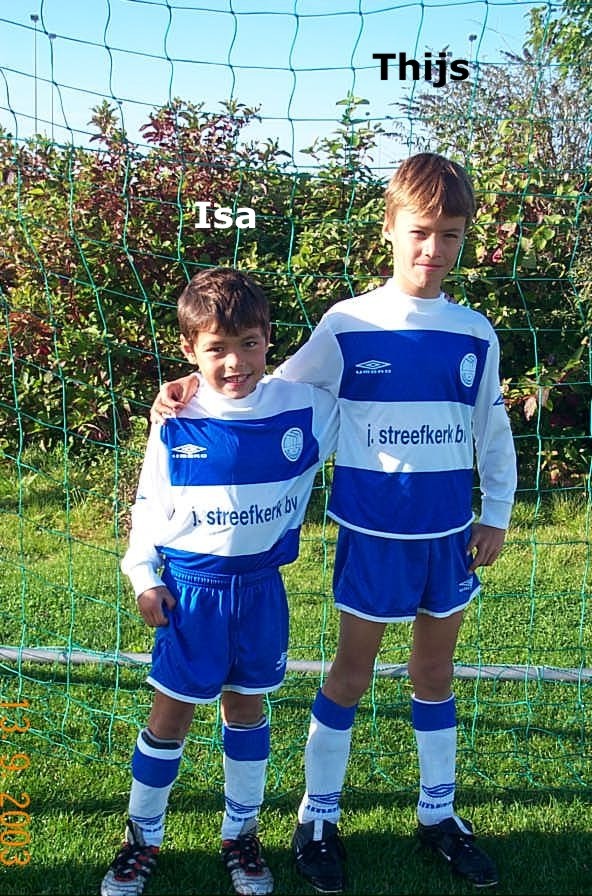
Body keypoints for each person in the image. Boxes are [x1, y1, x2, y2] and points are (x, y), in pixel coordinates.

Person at [150, 153, 517, 893]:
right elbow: (271, 384)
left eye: (450, 234)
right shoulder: (348, 323)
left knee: (435, 673)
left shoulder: (475, 331)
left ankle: (438, 813)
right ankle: (317, 818)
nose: (433, 248)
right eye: (420, 231)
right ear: (389, 229)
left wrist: (497, 512)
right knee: (351, 675)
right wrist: (196, 387)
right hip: (373, 535)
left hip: (449, 535)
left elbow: (492, 425)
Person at [101, 267, 337, 896]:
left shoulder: (304, 408)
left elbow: (365, 389)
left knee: (247, 710)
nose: (236, 362)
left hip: (260, 589)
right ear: (189, 349)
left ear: (268, 340)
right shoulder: (176, 419)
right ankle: (141, 838)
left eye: (249, 344)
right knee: (170, 714)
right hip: (191, 591)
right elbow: (149, 505)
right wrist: (142, 575)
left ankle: (241, 834)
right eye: (217, 349)